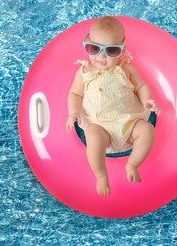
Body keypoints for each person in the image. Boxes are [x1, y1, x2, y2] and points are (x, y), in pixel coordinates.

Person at [66, 16, 160, 196]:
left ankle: (132, 164)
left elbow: (141, 86)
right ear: (87, 43)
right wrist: (73, 112)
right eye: (94, 49)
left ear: (123, 48)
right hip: (101, 128)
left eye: (111, 51)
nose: (101, 57)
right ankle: (101, 175)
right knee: (92, 135)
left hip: (129, 123)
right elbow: (75, 94)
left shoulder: (127, 69)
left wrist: (148, 100)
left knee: (148, 130)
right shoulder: (84, 72)